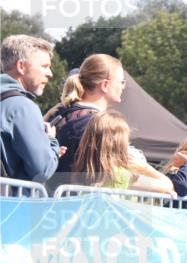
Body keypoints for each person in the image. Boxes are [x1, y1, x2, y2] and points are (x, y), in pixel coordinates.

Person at [45, 53, 127, 179]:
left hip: (52, 194)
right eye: (121, 82)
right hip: (79, 196)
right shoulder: (97, 124)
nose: (123, 87)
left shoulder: (60, 112)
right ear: (105, 85)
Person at [0, 34, 59, 181]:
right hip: (12, 202)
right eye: (44, 66)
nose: (50, 74)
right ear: (21, 66)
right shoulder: (22, 107)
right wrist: (51, 141)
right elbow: (42, 171)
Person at [72, 111, 173, 194]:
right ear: (119, 144)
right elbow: (168, 185)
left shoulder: (84, 173)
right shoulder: (121, 176)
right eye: (127, 140)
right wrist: (144, 167)